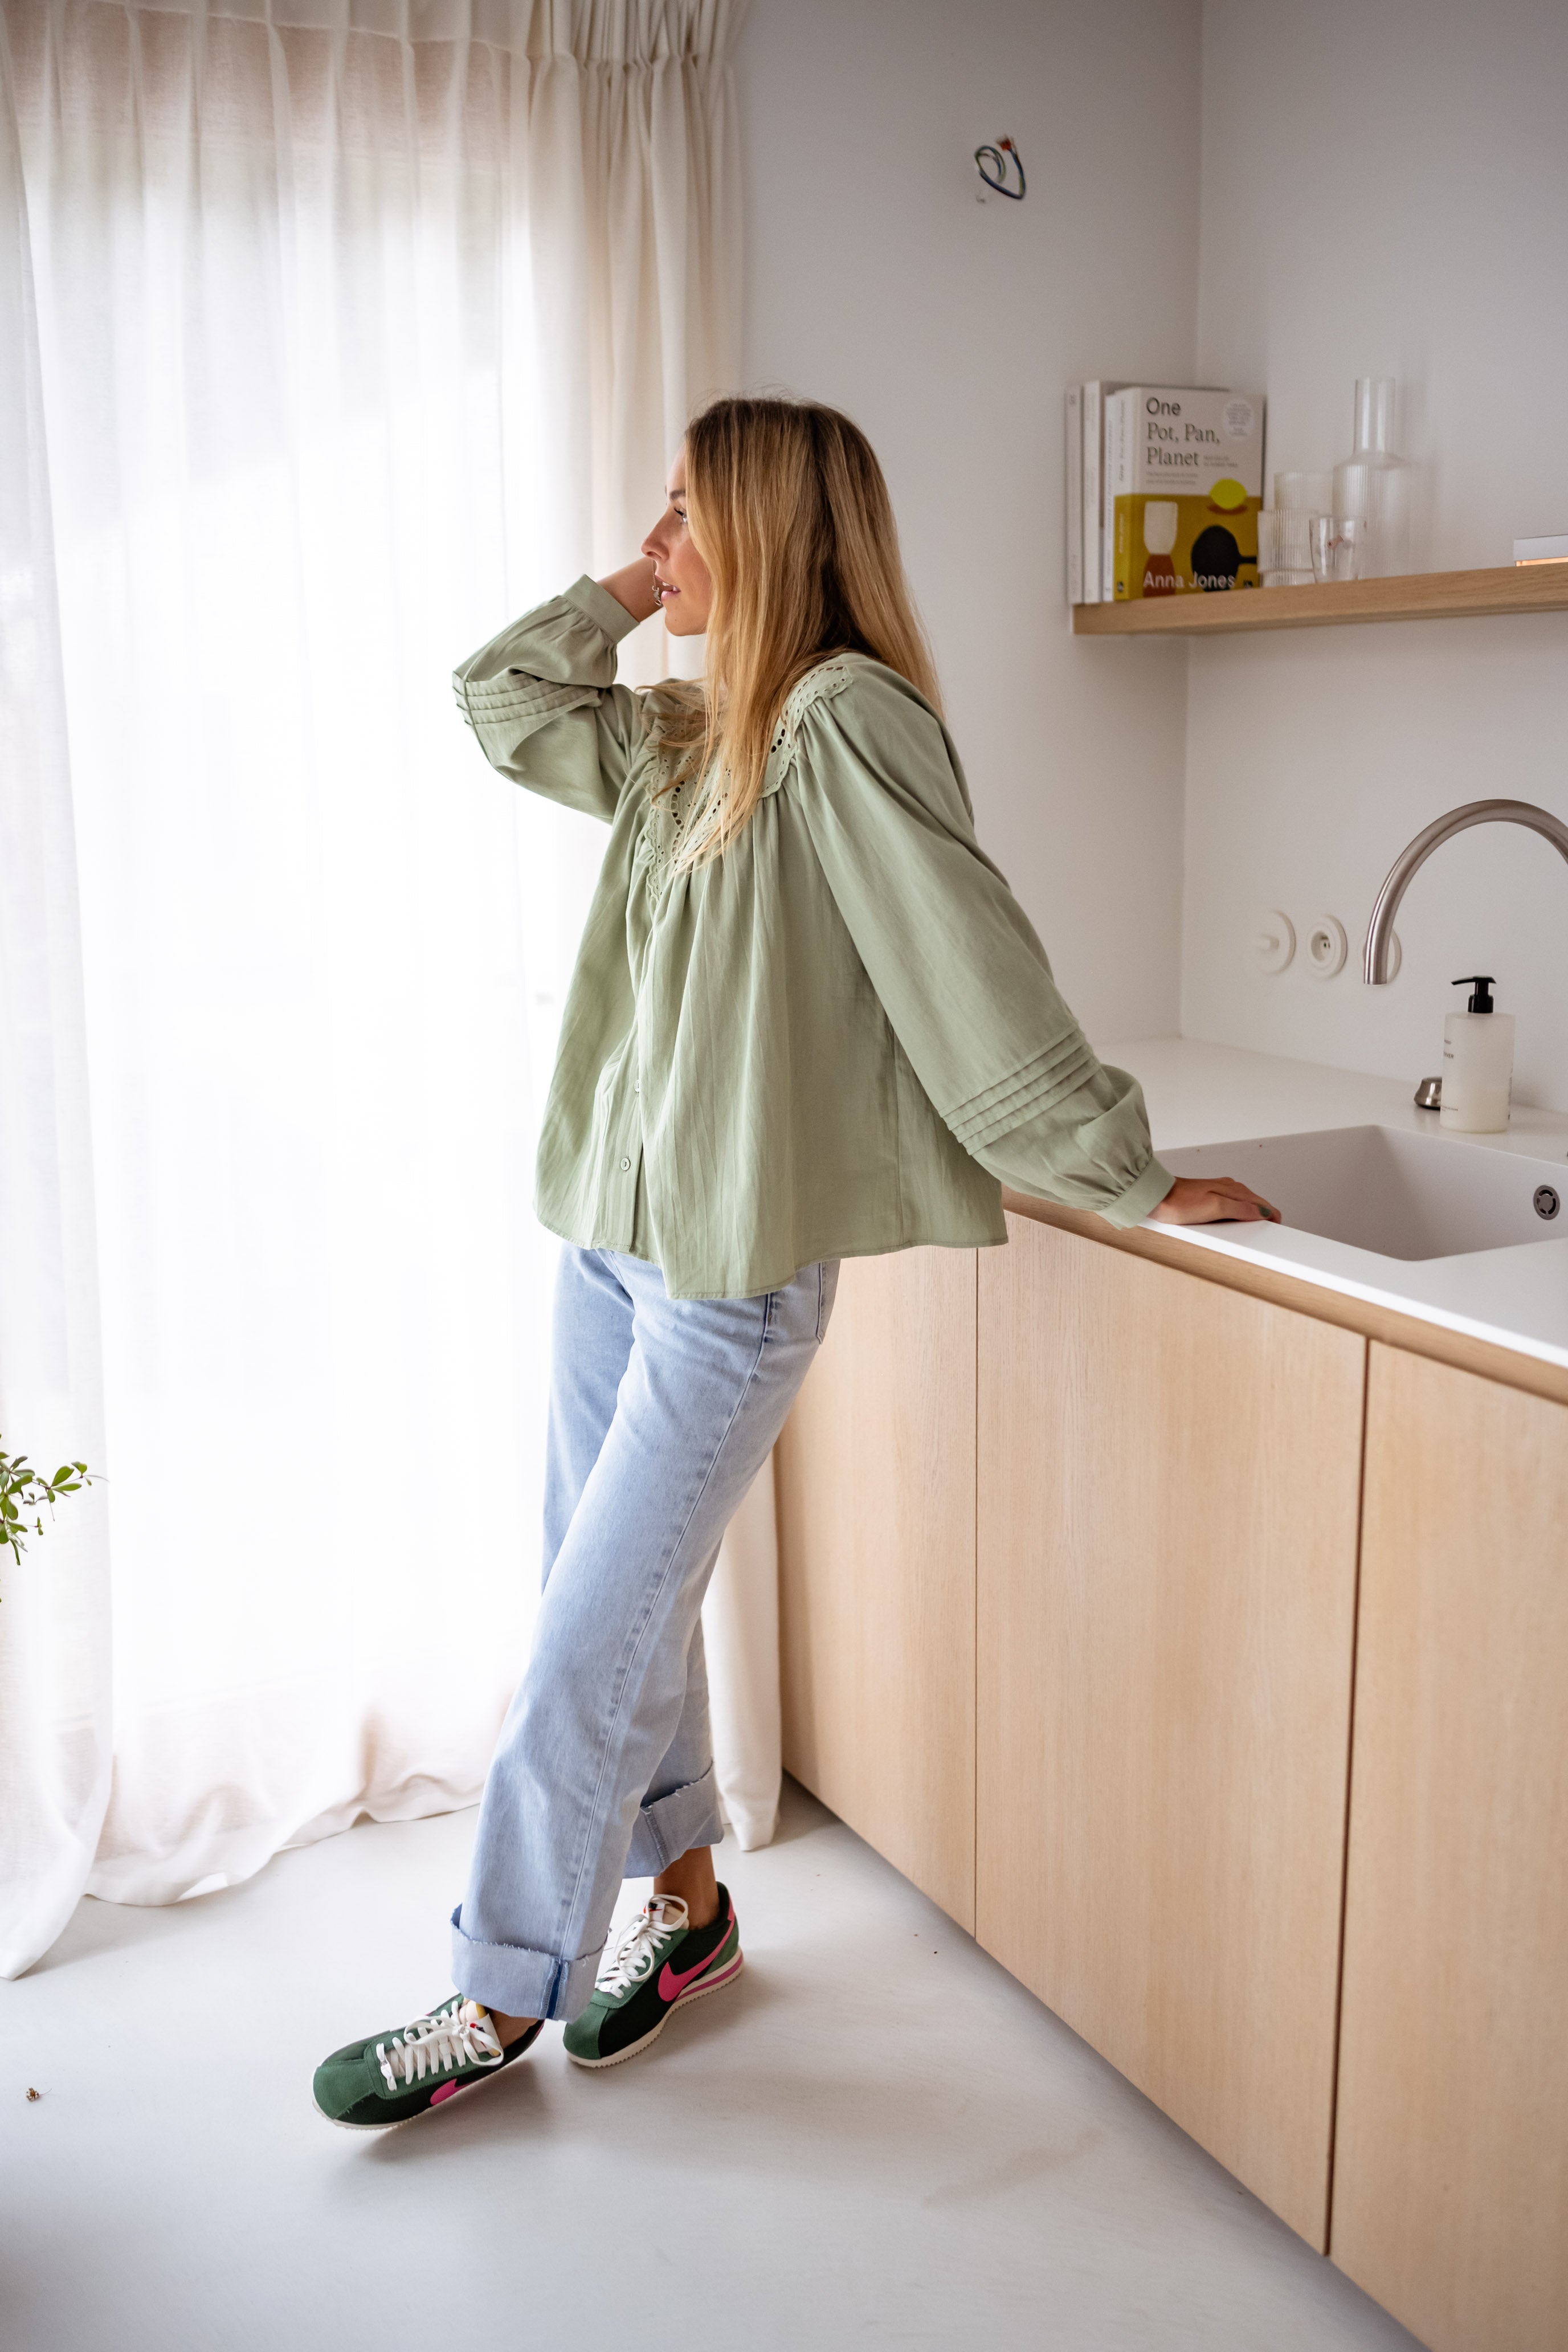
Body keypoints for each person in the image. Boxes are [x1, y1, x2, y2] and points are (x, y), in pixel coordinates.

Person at [311, 396, 1275, 2129]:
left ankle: (491, 1989)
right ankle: (683, 1918)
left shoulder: (842, 725)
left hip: (729, 1276)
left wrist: (1120, 1172)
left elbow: (968, 964)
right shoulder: (688, 736)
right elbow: (500, 697)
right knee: (614, 1610)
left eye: (687, 513)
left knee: (587, 1635)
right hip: (615, 1244)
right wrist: (647, 576)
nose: (656, 541)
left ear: (767, 533)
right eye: (654, 512)